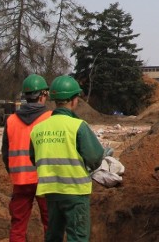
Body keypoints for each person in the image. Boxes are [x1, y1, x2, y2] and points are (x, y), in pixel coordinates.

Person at [30, 75, 109, 242]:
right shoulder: (78, 126)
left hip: (51, 191)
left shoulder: (38, 129)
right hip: (75, 192)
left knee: (53, 235)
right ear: (73, 100)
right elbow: (95, 157)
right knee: (77, 237)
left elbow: (34, 158)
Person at [2, 74, 52, 242]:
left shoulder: (11, 120)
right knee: (51, 224)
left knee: (18, 225)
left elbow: (5, 153)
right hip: (44, 180)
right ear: (43, 95)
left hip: (20, 181)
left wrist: (14, 172)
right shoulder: (50, 118)